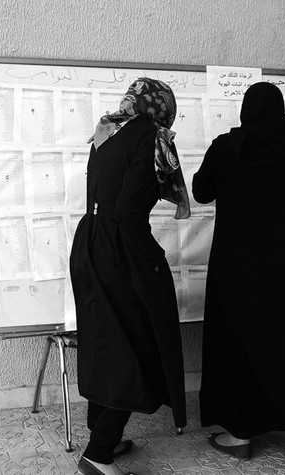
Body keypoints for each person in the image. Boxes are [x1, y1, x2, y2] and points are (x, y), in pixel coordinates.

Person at [193, 82, 285, 465]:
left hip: (237, 270)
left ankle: (240, 435)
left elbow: (200, 191)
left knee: (239, 347)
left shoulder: (226, 147)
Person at [70, 78, 190, 475]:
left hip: (89, 241)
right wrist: (150, 259)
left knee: (105, 339)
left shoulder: (106, 130)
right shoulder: (152, 137)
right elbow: (130, 206)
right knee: (137, 344)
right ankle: (99, 451)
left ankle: (104, 434)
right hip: (122, 245)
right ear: (162, 108)